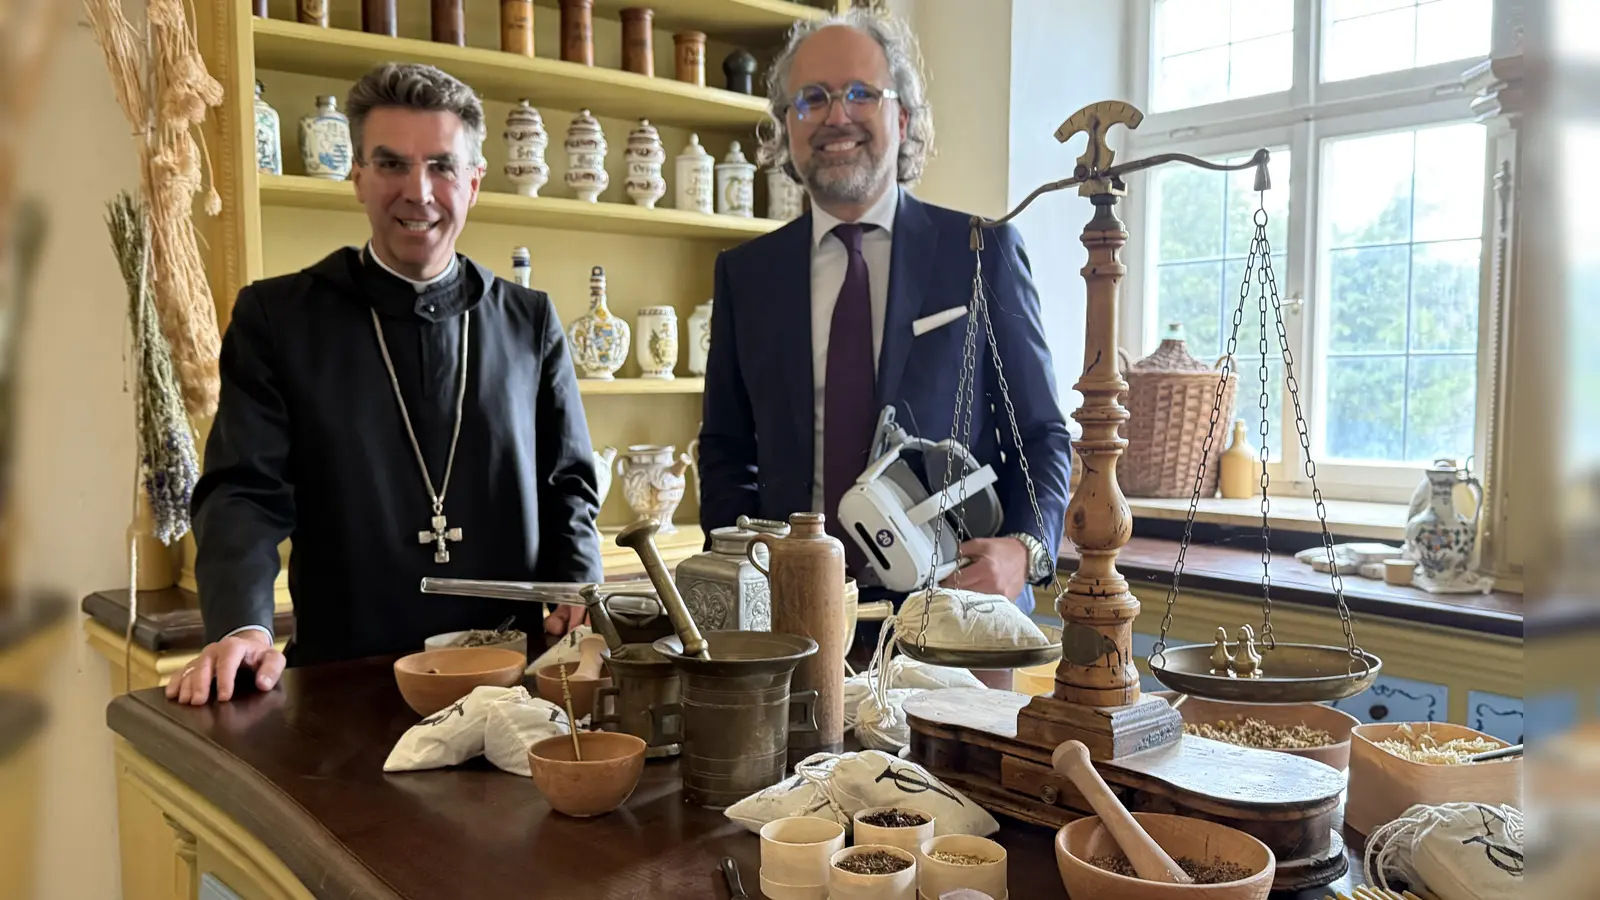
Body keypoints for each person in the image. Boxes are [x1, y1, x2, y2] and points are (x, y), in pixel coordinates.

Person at [167, 62, 602, 706]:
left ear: (474, 182)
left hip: (510, 675)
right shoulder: (278, 318)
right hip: (345, 674)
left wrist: (574, 585)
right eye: (392, 164)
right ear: (359, 178)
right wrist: (243, 624)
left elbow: (569, 482)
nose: (418, 192)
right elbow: (243, 492)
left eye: (443, 166)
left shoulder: (529, 321)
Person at [696, 9, 1072, 625]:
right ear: (787, 128)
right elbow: (726, 449)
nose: (835, 116)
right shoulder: (746, 275)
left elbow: (1040, 433)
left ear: (902, 117)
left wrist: (1024, 549)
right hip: (794, 622)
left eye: (860, 94)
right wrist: (744, 565)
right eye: (810, 99)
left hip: (960, 614)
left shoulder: (982, 251)